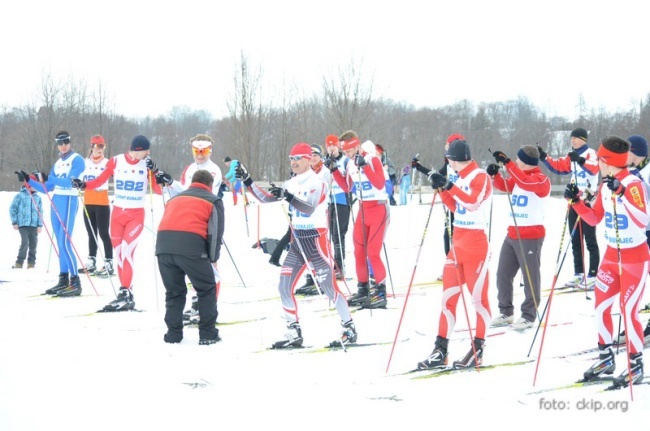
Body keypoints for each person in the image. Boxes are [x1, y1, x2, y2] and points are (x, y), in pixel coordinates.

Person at [238, 142, 357, 348]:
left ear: (309, 159)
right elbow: (265, 198)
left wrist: (288, 197)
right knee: (284, 286)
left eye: (298, 158)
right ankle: (294, 331)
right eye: (291, 159)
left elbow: (309, 208)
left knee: (329, 288)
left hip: (315, 241)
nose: (294, 162)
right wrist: (248, 180)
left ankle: (349, 327)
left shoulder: (318, 182)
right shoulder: (291, 183)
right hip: (297, 241)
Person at [563, 135, 648, 388]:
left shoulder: (633, 183)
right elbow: (593, 219)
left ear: (608, 161)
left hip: (634, 258)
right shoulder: (603, 186)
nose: (597, 163)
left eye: (600, 159)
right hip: (611, 256)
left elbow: (644, 218)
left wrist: (621, 193)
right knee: (601, 306)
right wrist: (576, 202)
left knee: (628, 310)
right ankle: (605, 358)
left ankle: (635, 363)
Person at [416, 139, 493, 370]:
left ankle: (478, 348)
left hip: (476, 243)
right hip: (457, 242)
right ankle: (441, 350)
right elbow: (456, 206)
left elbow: (471, 203)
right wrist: (441, 190)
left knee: (478, 300)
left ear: (452, 160)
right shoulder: (459, 178)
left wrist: (448, 186)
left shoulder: (480, 176)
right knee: (447, 298)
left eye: (448, 159)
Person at [72, 135, 163, 311]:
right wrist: (83, 185)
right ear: (138, 149)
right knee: (120, 254)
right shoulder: (116, 161)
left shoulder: (147, 165)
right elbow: (100, 180)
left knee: (128, 253)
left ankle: (124, 291)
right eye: (145, 151)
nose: (147, 154)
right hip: (117, 215)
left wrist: (156, 172)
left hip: (135, 215)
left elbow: (158, 190)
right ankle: (126, 292)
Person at [156, 169, 224, 345]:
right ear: (210, 186)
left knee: (174, 292)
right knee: (206, 288)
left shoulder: (174, 199)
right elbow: (215, 234)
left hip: (163, 246)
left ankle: (173, 334)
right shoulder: (213, 200)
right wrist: (213, 258)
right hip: (191, 247)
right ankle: (207, 334)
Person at [487, 146, 551, 330]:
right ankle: (506, 311)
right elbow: (505, 186)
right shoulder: (518, 177)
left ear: (526, 161)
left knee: (530, 276)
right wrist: (495, 175)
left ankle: (529, 315)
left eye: (517, 159)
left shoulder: (541, 180)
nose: (515, 162)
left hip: (530, 235)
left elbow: (525, 183)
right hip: (512, 234)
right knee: (503, 274)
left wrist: (507, 163)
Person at [17, 131, 85, 296]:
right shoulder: (57, 163)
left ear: (70, 142)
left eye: (66, 141)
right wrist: (29, 179)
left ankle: (75, 281)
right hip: (56, 202)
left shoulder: (77, 159)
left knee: (65, 242)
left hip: (69, 200)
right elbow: (47, 188)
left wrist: (48, 178)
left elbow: (70, 182)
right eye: (60, 143)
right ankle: (63, 279)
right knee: (59, 244)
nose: (63, 145)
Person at [331, 131, 390, 309]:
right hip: (363, 210)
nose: (347, 155)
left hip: (379, 208)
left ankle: (380, 293)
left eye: (349, 151)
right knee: (358, 252)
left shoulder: (372, 159)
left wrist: (364, 167)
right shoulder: (350, 164)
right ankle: (363, 290)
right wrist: (334, 170)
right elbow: (347, 187)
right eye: (345, 152)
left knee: (373, 252)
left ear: (357, 146)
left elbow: (380, 184)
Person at [538, 127, 600, 290]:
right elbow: (558, 167)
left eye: (575, 138)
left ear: (583, 140)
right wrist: (544, 156)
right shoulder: (571, 155)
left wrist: (579, 160)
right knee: (575, 239)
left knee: (590, 240)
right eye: (571, 138)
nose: (572, 140)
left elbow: (594, 168)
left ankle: (593, 275)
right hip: (573, 200)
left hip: (587, 200)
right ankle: (579, 274)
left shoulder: (590, 153)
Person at [412, 133, 464, 281]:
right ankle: (452, 268)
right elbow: (437, 175)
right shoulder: (449, 163)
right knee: (447, 237)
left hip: (463, 206)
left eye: (447, 145)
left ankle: (459, 269)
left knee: (456, 238)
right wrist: (419, 167)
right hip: (451, 205)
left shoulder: (462, 164)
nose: (445, 147)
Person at [616, 134, 650, 345]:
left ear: (635, 154)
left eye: (625, 153)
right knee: (639, 278)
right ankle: (632, 320)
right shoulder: (630, 173)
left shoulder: (645, 174)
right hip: (638, 232)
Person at [295, 144, 330, 296]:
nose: (313, 158)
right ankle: (311, 278)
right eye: (311, 155)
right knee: (307, 249)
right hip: (304, 216)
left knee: (320, 248)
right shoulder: (304, 172)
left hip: (319, 214)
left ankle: (323, 279)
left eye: (316, 155)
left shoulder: (324, 171)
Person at [78, 135, 114, 277]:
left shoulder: (107, 162)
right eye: (97, 146)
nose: (100, 149)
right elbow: (80, 179)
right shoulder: (85, 162)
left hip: (102, 202)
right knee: (91, 233)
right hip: (88, 202)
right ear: (91, 147)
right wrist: (77, 182)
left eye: (102, 146)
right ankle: (91, 261)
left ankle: (109, 262)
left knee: (104, 233)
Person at [324, 134, 352, 280]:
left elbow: (349, 180)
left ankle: (339, 266)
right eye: (328, 145)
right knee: (331, 234)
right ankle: (333, 263)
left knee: (338, 234)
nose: (331, 148)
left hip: (342, 200)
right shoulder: (325, 161)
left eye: (333, 145)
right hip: (330, 200)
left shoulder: (345, 160)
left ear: (338, 146)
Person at [9, 183, 43, 269]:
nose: (37, 188)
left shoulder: (37, 198)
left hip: (34, 225)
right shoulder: (20, 196)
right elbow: (13, 208)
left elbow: (40, 212)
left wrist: (39, 224)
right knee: (25, 242)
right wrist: (14, 222)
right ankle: (19, 263)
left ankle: (31, 263)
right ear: (29, 186)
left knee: (33, 244)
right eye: (35, 185)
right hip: (23, 224)